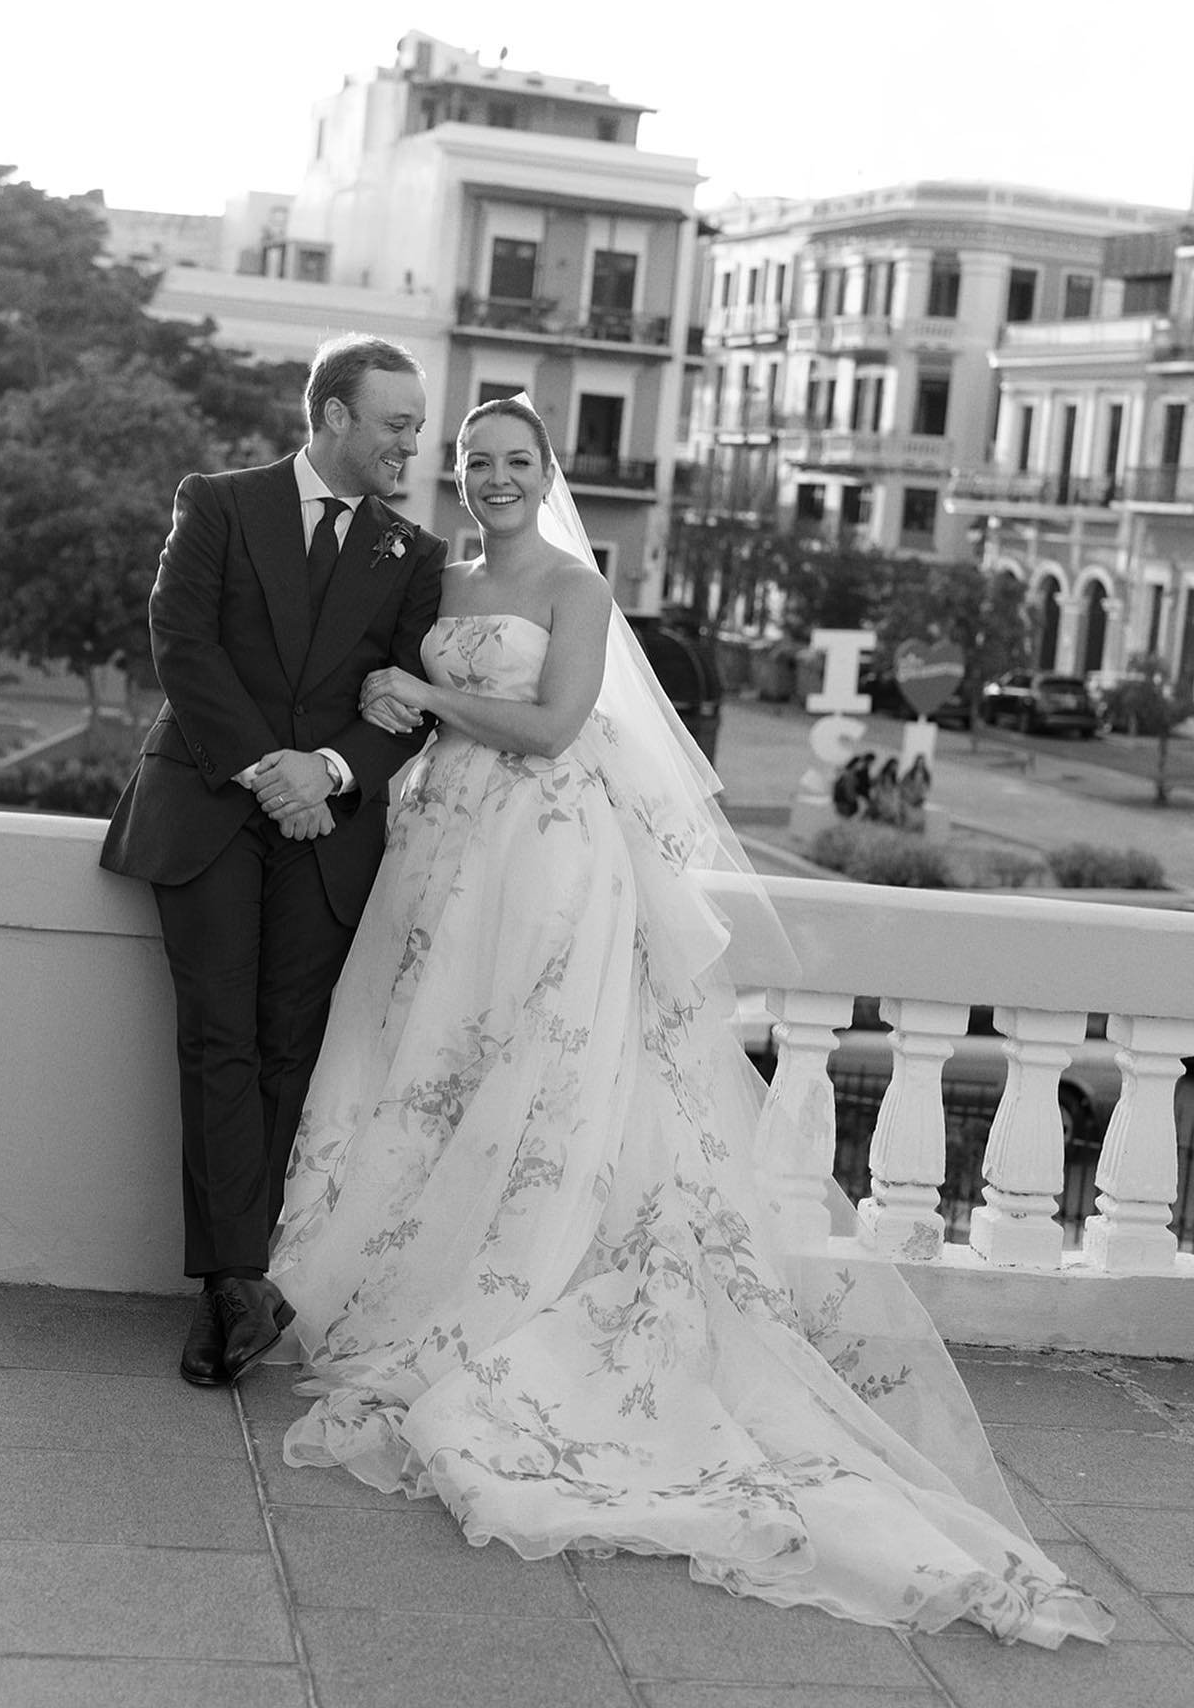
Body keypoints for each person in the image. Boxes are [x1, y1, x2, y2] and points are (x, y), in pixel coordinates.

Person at [266, 397, 1112, 1648]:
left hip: (546, 854)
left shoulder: (572, 586)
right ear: (456, 475)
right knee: (433, 1061)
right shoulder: (433, 577)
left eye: (517, 462)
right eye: (475, 462)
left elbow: (555, 728)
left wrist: (422, 697)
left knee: (538, 1073)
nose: (495, 478)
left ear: (548, 473)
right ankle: (414, 1263)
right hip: (440, 850)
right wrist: (388, 706)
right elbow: (387, 694)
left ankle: (527, 1287)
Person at [101, 333, 447, 1388]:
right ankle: (234, 1284)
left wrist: (332, 773)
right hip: (207, 805)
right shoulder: (217, 501)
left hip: (329, 834)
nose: (411, 445)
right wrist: (268, 771)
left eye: (418, 428)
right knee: (217, 1038)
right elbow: (182, 641)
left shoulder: (416, 557)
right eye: (396, 424)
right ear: (334, 415)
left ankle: (235, 1286)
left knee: (287, 1046)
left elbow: (410, 704)